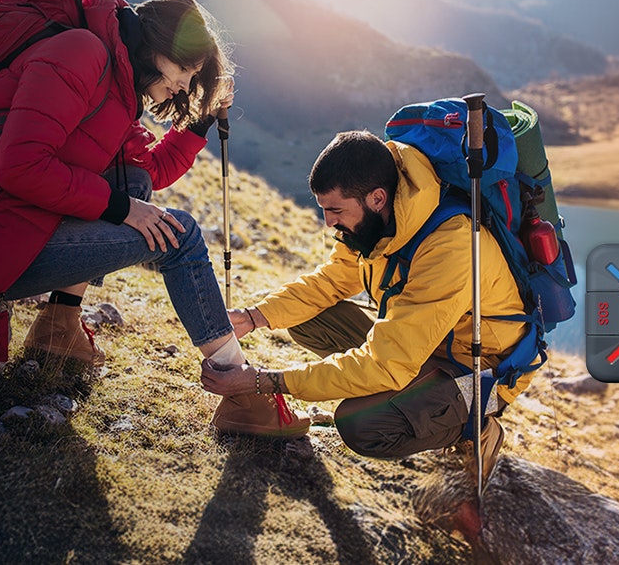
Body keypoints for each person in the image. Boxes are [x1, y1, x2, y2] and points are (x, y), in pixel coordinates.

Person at [0, 0, 305, 436]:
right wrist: (122, 208)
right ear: (155, 45)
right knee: (180, 238)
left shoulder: (116, 85)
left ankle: (58, 329)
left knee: (133, 181)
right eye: (182, 69)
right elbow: (19, 165)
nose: (183, 84)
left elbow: (148, 173)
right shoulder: (81, 56)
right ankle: (242, 391)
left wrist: (200, 121)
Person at [201, 130, 540, 471]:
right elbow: (330, 282)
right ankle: (415, 397)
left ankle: (478, 428)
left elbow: (386, 364)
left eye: (335, 210)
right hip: (421, 344)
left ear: (377, 198)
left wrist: (262, 380)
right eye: (323, 210)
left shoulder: (451, 246)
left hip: (481, 372)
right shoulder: (376, 222)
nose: (329, 223)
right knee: (307, 317)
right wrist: (254, 316)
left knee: (361, 424)